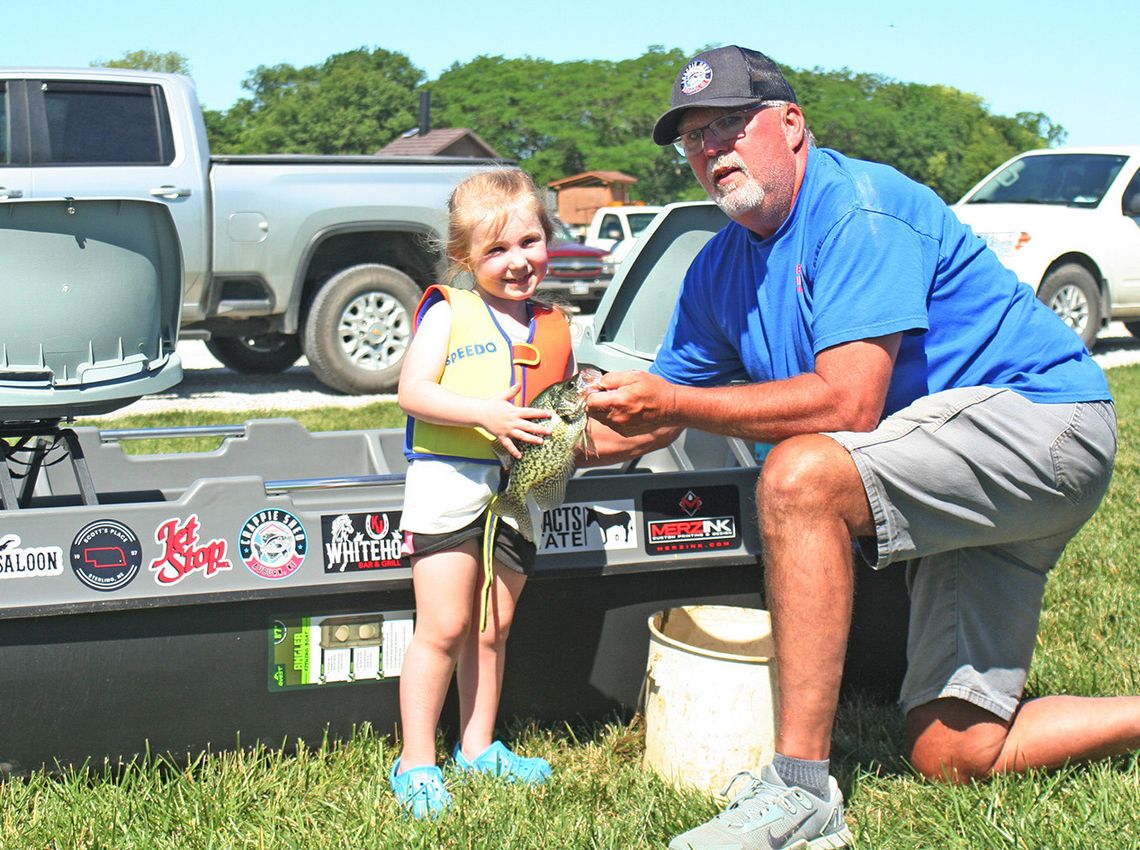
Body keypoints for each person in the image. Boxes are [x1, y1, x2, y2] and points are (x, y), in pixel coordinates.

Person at [585, 45, 1138, 849]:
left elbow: (849, 401)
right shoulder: (717, 269)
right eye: (694, 138)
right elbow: (657, 416)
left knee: (802, 474)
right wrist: (532, 441)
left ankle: (802, 795)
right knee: (953, 751)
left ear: (791, 124)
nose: (712, 150)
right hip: (961, 470)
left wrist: (673, 399)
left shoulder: (857, 209)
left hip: (1044, 426)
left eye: (731, 125)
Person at [391, 169, 573, 818]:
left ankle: (478, 748)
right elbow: (413, 391)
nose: (517, 261)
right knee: (444, 626)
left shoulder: (556, 326)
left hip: (523, 498)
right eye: (496, 250)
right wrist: (485, 416)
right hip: (449, 483)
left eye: (530, 241)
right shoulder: (449, 310)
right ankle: (415, 762)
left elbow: (565, 408)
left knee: (492, 629)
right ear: (465, 258)